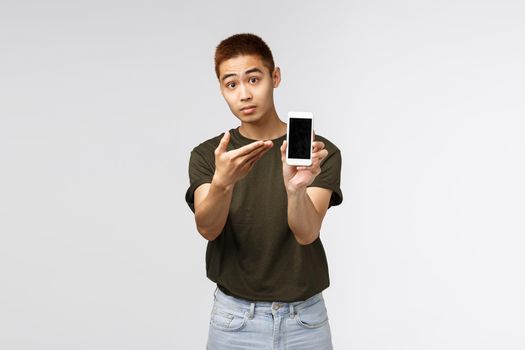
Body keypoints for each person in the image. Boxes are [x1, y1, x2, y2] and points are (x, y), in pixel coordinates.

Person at [184, 33, 343, 350]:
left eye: (253, 79)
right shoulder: (208, 156)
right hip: (235, 321)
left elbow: (307, 233)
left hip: (305, 321)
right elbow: (208, 227)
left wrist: (295, 189)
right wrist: (222, 182)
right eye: (231, 84)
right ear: (221, 90)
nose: (244, 94)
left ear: (275, 77)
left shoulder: (319, 154)